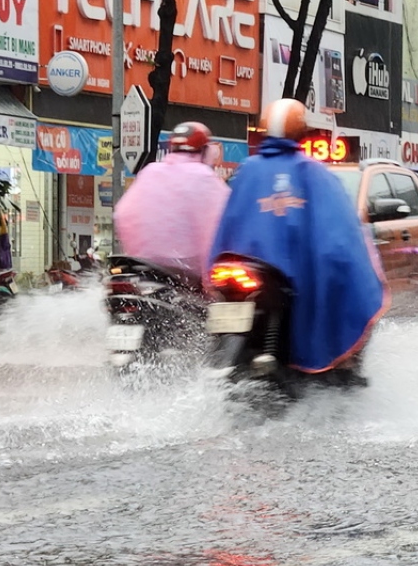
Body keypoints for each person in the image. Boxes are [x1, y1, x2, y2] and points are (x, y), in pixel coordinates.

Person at [207, 98, 388, 376]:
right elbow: (340, 235)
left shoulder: (247, 170)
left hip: (240, 269)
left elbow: (227, 223)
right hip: (282, 278)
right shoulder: (314, 172)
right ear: (303, 132)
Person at [113, 121, 230, 283]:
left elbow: (121, 213)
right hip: (186, 274)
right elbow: (223, 224)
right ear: (204, 151)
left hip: (143, 267)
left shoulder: (150, 172)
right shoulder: (203, 177)